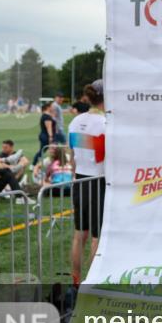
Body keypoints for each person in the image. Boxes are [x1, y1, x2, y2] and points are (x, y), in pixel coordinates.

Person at [68, 81, 106, 286]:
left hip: (80, 180)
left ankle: (76, 281)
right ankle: (92, 283)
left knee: (78, 235)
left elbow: (72, 156)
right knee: (96, 238)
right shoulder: (105, 123)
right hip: (98, 181)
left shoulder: (76, 121)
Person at [33, 101, 58, 165]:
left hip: (45, 135)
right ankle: (34, 164)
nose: (52, 108)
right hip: (47, 136)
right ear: (48, 107)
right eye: (51, 107)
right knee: (44, 151)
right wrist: (51, 137)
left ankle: (34, 164)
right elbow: (48, 128)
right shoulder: (47, 116)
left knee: (42, 151)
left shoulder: (46, 115)